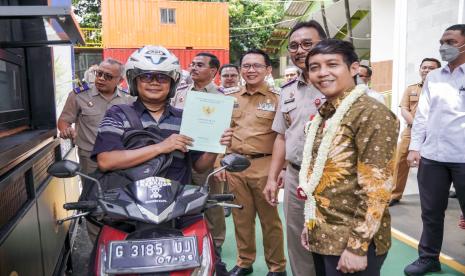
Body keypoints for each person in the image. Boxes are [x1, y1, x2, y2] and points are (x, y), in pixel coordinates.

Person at [299, 39, 398, 276]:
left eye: (332, 64)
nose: (322, 73)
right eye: (314, 67)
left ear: (354, 68)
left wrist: (357, 247)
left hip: (352, 243)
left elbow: (377, 189)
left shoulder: (371, 114)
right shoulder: (326, 112)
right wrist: (310, 223)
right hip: (322, 233)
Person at [263, 20, 327, 276]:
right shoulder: (287, 90)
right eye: (294, 46)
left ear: (324, 43)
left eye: (307, 44)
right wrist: (272, 177)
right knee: (297, 241)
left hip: (331, 178)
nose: (300, 50)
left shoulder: (341, 84)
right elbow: (282, 136)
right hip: (295, 176)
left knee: (333, 240)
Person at [216, 49, 286, 276]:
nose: (251, 70)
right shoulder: (230, 98)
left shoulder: (278, 99)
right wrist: (219, 162)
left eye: (257, 66)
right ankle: (245, 262)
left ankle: (277, 267)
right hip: (235, 166)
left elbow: (284, 137)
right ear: (240, 70)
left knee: (270, 221)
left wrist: (281, 170)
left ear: (268, 70)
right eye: (246, 66)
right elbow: (221, 132)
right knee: (241, 219)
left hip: (266, 167)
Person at [404, 24, 465, 276]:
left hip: (463, 158)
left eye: (450, 41)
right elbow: (421, 116)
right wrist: (415, 147)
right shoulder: (434, 76)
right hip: (433, 157)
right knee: (430, 212)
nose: (443, 47)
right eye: (442, 41)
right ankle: (429, 257)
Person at [171, 52, 227, 265]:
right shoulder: (179, 93)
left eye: (200, 65)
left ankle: (216, 247)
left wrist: (219, 161)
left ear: (213, 71)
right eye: (192, 64)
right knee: (180, 202)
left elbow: (225, 133)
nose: (193, 67)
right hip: (181, 157)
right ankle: (184, 245)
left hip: (208, 158)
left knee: (212, 204)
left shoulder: (222, 98)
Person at [58, 58, 135, 175]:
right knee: (92, 190)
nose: (101, 78)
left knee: (119, 190)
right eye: (99, 73)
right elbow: (64, 120)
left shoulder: (128, 100)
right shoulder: (79, 95)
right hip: (90, 157)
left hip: (120, 156)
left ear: (120, 80)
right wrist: (66, 130)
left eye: (108, 76)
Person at [389, 58, 441, 206]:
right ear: (420, 69)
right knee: (400, 162)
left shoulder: (442, 89)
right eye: (424, 67)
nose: (426, 70)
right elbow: (404, 109)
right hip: (410, 131)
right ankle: (395, 195)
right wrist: (417, 124)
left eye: (431, 68)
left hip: (434, 133)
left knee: (431, 166)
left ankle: (432, 198)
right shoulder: (411, 89)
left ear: (438, 70)